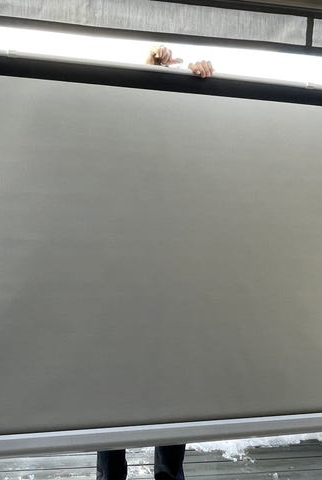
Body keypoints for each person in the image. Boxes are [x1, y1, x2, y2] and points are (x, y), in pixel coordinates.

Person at [96, 45, 213, 480]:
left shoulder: (187, 164)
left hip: (173, 286)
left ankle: (168, 471)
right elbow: (121, 112)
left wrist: (199, 82)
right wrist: (147, 73)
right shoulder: (121, 160)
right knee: (116, 384)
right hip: (122, 284)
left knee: (172, 380)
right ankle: (111, 473)